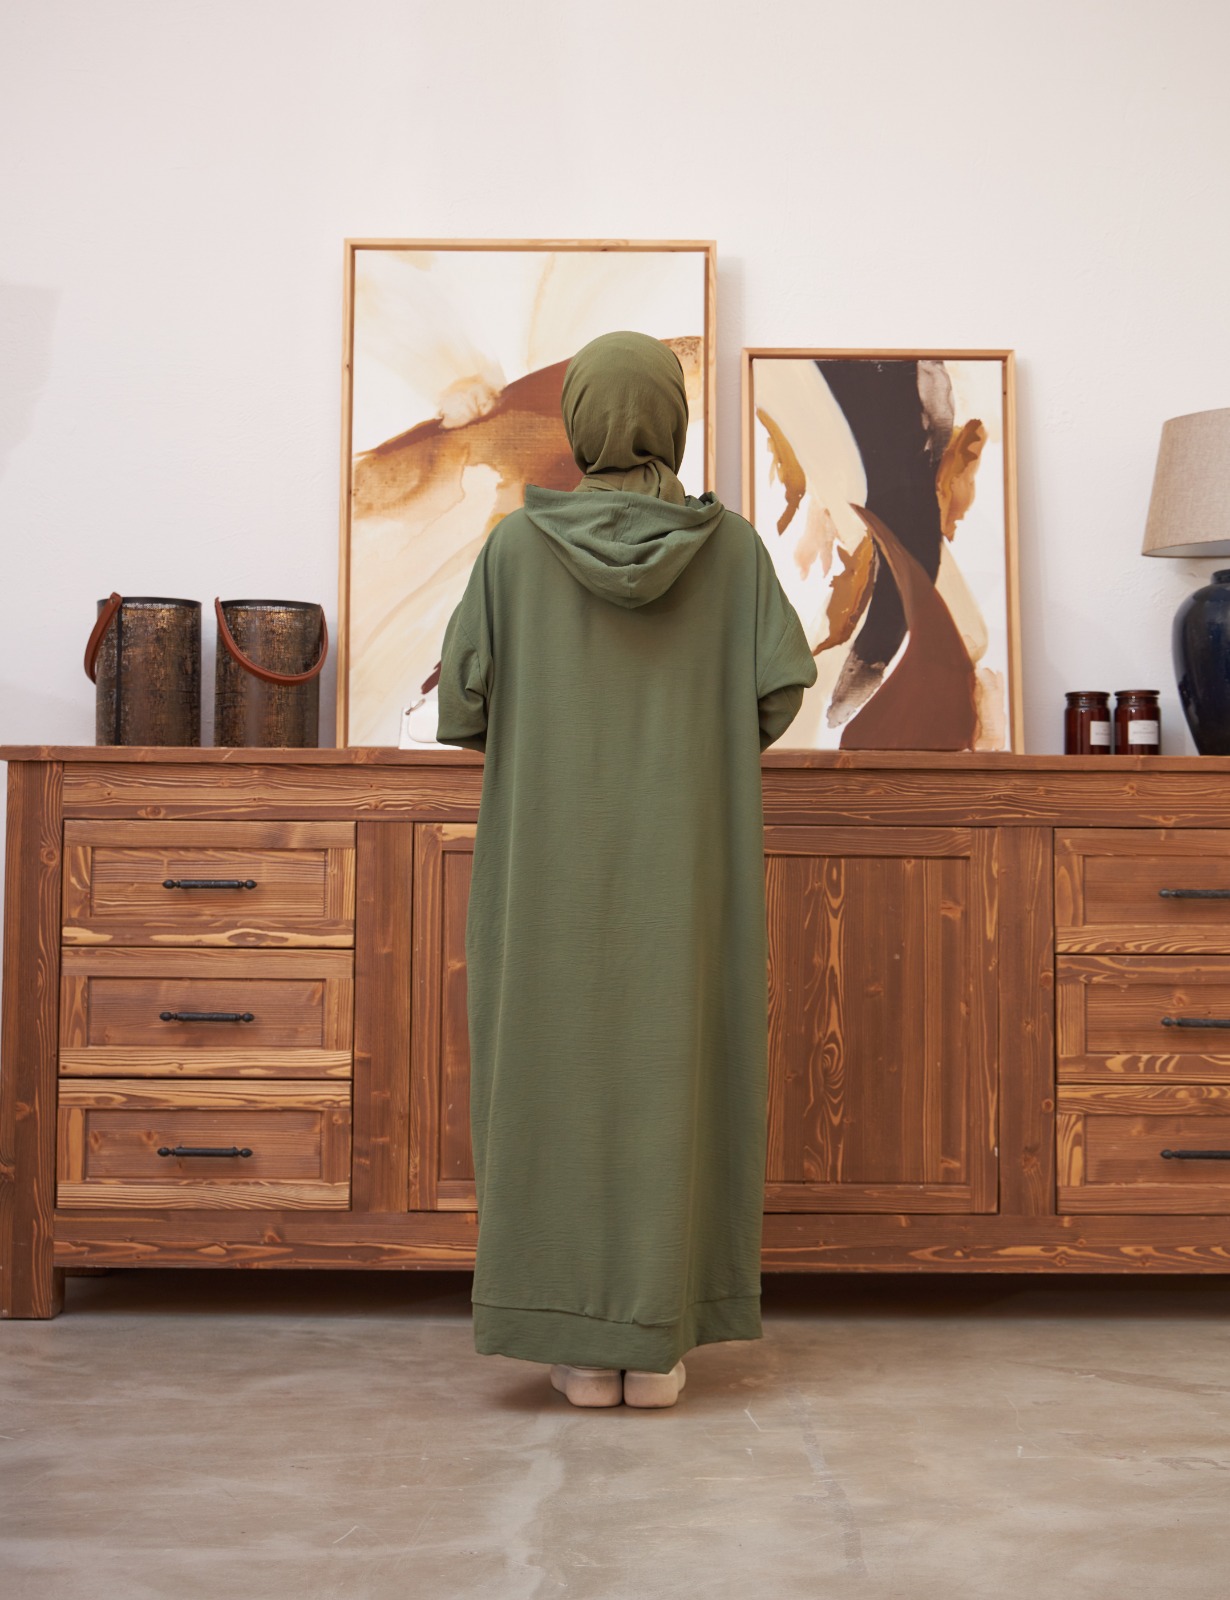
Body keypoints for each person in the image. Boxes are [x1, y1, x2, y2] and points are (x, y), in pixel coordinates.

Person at [435, 330, 817, 1409]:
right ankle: (660, 1342)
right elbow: (778, 695)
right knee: (678, 1071)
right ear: (671, 419)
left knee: (549, 1074)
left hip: (548, 870)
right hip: (685, 871)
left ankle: (574, 1339)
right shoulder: (733, 552)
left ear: (579, 420)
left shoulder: (515, 551)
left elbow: (462, 704)